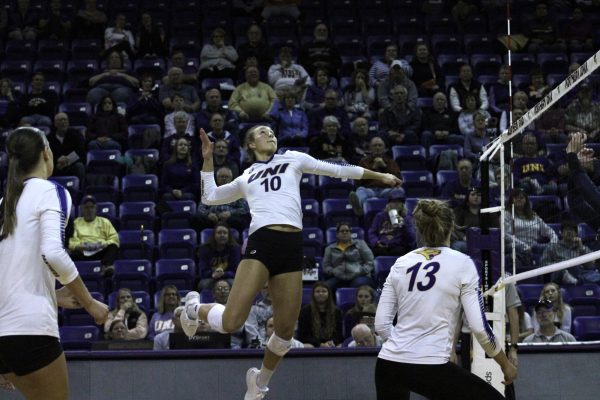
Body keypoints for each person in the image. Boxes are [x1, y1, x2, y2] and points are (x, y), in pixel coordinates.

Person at [181, 125, 400, 400]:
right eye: (262, 132)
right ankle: (193, 308)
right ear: (250, 144)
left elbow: (338, 169)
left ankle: (259, 382)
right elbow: (209, 196)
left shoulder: (293, 158)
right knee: (230, 322)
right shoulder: (246, 176)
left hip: (292, 246)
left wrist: (379, 176)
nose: (270, 134)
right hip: (262, 242)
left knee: (285, 333)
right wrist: (208, 158)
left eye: (272, 132)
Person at [0, 127, 108, 400]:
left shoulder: (5, 201)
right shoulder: (51, 191)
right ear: (46, 153)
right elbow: (53, 253)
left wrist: (55, 295)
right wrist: (90, 303)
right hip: (31, 329)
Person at [374, 199, 517, 400]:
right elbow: (479, 328)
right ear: (451, 226)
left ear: (419, 229)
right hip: (431, 365)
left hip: (388, 364)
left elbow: (381, 325)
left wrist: (403, 348)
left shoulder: (401, 263)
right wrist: (505, 364)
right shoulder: (462, 263)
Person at [348, 137, 402, 216]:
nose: (377, 148)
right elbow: (358, 181)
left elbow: (398, 180)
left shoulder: (390, 161)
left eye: (380, 145)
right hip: (369, 190)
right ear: (370, 148)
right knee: (360, 190)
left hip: (386, 190)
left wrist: (384, 166)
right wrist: (373, 168)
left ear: (384, 148)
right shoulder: (364, 161)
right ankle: (359, 209)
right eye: (375, 145)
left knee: (399, 191)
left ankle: (399, 213)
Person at [68, 194, 119, 277]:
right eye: (87, 207)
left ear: (96, 208)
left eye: (92, 207)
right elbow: (71, 242)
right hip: (83, 251)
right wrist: (82, 246)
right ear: (82, 209)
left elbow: (114, 239)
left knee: (113, 246)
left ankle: (107, 267)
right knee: (66, 253)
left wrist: (103, 244)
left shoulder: (104, 222)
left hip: (100, 250)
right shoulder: (76, 223)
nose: (89, 210)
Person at [193, 166, 250, 231]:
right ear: (216, 178)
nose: (224, 179)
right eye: (221, 176)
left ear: (231, 179)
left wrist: (230, 213)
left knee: (239, 220)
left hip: (230, 220)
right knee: (195, 218)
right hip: (211, 219)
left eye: (226, 177)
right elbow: (200, 208)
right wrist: (208, 214)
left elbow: (245, 209)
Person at [543, 219, 600, 285]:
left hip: (582, 274)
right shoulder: (552, 247)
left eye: (572, 230)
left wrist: (581, 248)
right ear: (561, 233)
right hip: (562, 274)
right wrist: (562, 264)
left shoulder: (581, 246)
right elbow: (544, 264)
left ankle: (577, 281)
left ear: (576, 233)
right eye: (566, 230)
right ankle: (572, 279)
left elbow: (590, 266)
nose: (569, 232)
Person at [322, 222, 375, 290]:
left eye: (347, 231)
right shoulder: (329, 248)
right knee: (325, 288)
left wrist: (362, 270)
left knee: (358, 285)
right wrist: (333, 271)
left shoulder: (360, 244)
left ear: (350, 233)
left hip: (359, 276)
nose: (345, 233)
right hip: (338, 277)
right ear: (337, 234)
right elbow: (326, 266)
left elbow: (370, 261)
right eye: (342, 231)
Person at [368, 190, 416, 257]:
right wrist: (376, 242)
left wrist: (404, 225)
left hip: (398, 246)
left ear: (403, 205)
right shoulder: (380, 216)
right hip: (381, 245)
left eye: (399, 202)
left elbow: (412, 238)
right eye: (393, 201)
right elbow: (372, 232)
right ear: (389, 204)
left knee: (400, 251)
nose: (396, 204)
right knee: (377, 251)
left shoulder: (407, 218)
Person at [297, 281, 344, 348]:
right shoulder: (305, 311)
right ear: (313, 294)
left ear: (329, 294)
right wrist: (320, 344)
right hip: (312, 344)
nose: (321, 293)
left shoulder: (337, 311)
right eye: (317, 291)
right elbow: (304, 335)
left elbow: (339, 335)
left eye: (324, 291)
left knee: (340, 346)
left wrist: (332, 342)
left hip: (331, 344)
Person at [197, 222, 242, 290]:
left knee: (235, 285)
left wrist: (223, 274)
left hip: (228, 278)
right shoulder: (204, 248)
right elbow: (203, 271)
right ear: (214, 235)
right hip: (211, 277)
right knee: (203, 285)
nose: (222, 235)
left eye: (225, 233)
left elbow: (235, 271)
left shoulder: (235, 248)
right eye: (219, 233)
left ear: (228, 235)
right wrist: (213, 274)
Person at [47, 113, 86, 185]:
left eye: (65, 120)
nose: (63, 122)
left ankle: (80, 189)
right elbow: (47, 154)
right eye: (60, 120)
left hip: (72, 165)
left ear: (68, 122)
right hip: (56, 166)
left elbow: (81, 151)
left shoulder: (76, 134)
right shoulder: (49, 138)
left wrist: (68, 159)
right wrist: (57, 160)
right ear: (55, 124)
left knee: (79, 166)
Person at [160, 137, 200, 201]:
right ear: (176, 148)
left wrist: (182, 191)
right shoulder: (167, 164)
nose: (183, 146)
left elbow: (195, 184)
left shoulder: (193, 165)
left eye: (185, 145)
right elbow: (163, 184)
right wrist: (172, 191)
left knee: (188, 197)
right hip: (171, 192)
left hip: (187, 193)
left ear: (188, 148)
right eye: (180, 145)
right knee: (166, 197)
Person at [245, 283, 273, 349]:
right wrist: (261, 346)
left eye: (273, 287)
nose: (269, 291)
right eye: (266, 288)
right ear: (260, 290)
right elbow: (251, 331)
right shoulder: (252, 310)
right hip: (259, 348)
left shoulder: (284, 309)